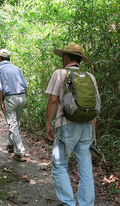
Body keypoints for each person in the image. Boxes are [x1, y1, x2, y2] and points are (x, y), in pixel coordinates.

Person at [45, 43, 100, 206]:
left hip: (67, 126)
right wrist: (93, 130)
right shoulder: (90, 76)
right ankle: (86, 203)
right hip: (86, 127)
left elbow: (53, 100)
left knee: (59, 165)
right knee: (85, 168)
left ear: (66, 57)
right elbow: (94, 106)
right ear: (80, 59)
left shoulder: (60, 74)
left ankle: (68, 202)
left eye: (63, 56)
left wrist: (49, 123)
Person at [0, 49, 28, 162]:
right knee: (15, 123)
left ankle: (20, 151)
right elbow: (24, 85)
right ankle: (10, 144)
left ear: (0, 58)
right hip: (21, 96)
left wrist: (1, 102)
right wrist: (25, 99)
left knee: (13, 124)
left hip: (10, 98)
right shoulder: (17, 68)